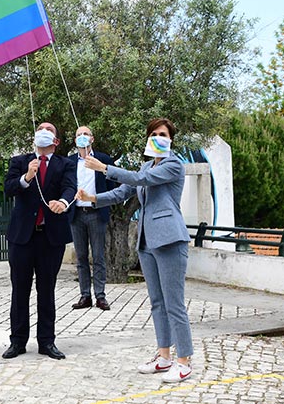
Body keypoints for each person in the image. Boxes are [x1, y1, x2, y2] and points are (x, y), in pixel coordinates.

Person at [78, 118, 194, 383]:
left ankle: (184, 361)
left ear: (171, 139)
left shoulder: (174, 165)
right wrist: (93, 198)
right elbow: (123, 191)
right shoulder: (145, 165)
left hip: (170, 238)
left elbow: (142, 179)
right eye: (154, 133)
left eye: (163, 134)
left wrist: (104, 167)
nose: (158, 137)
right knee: (157, 302)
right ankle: (164, 357)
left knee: (174, 303)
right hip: (146, 241)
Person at [2, 122, 77, 360]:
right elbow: (9, 188)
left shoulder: (65, 163)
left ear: (56, 140)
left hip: (50, 238)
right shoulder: (20, 161)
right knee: (19, 290)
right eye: (40, 128)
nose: (43, 131)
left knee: (47, 291)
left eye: (49, 129)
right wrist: (26, 177)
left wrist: (63, 203)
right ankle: (17, 342)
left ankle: (47, 341)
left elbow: (70, 188)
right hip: (22, 237)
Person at [68, 125, 115, 311]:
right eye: (79, 134)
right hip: (77, 214)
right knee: (81, 257)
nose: (82, 137)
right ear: (75, 140)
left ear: (92, 138)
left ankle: (100, 296)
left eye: (85, 134)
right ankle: (84, 295)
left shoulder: (102, 159)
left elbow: (112, 185)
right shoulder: (69, 162)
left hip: (96, 212)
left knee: (98, 256)